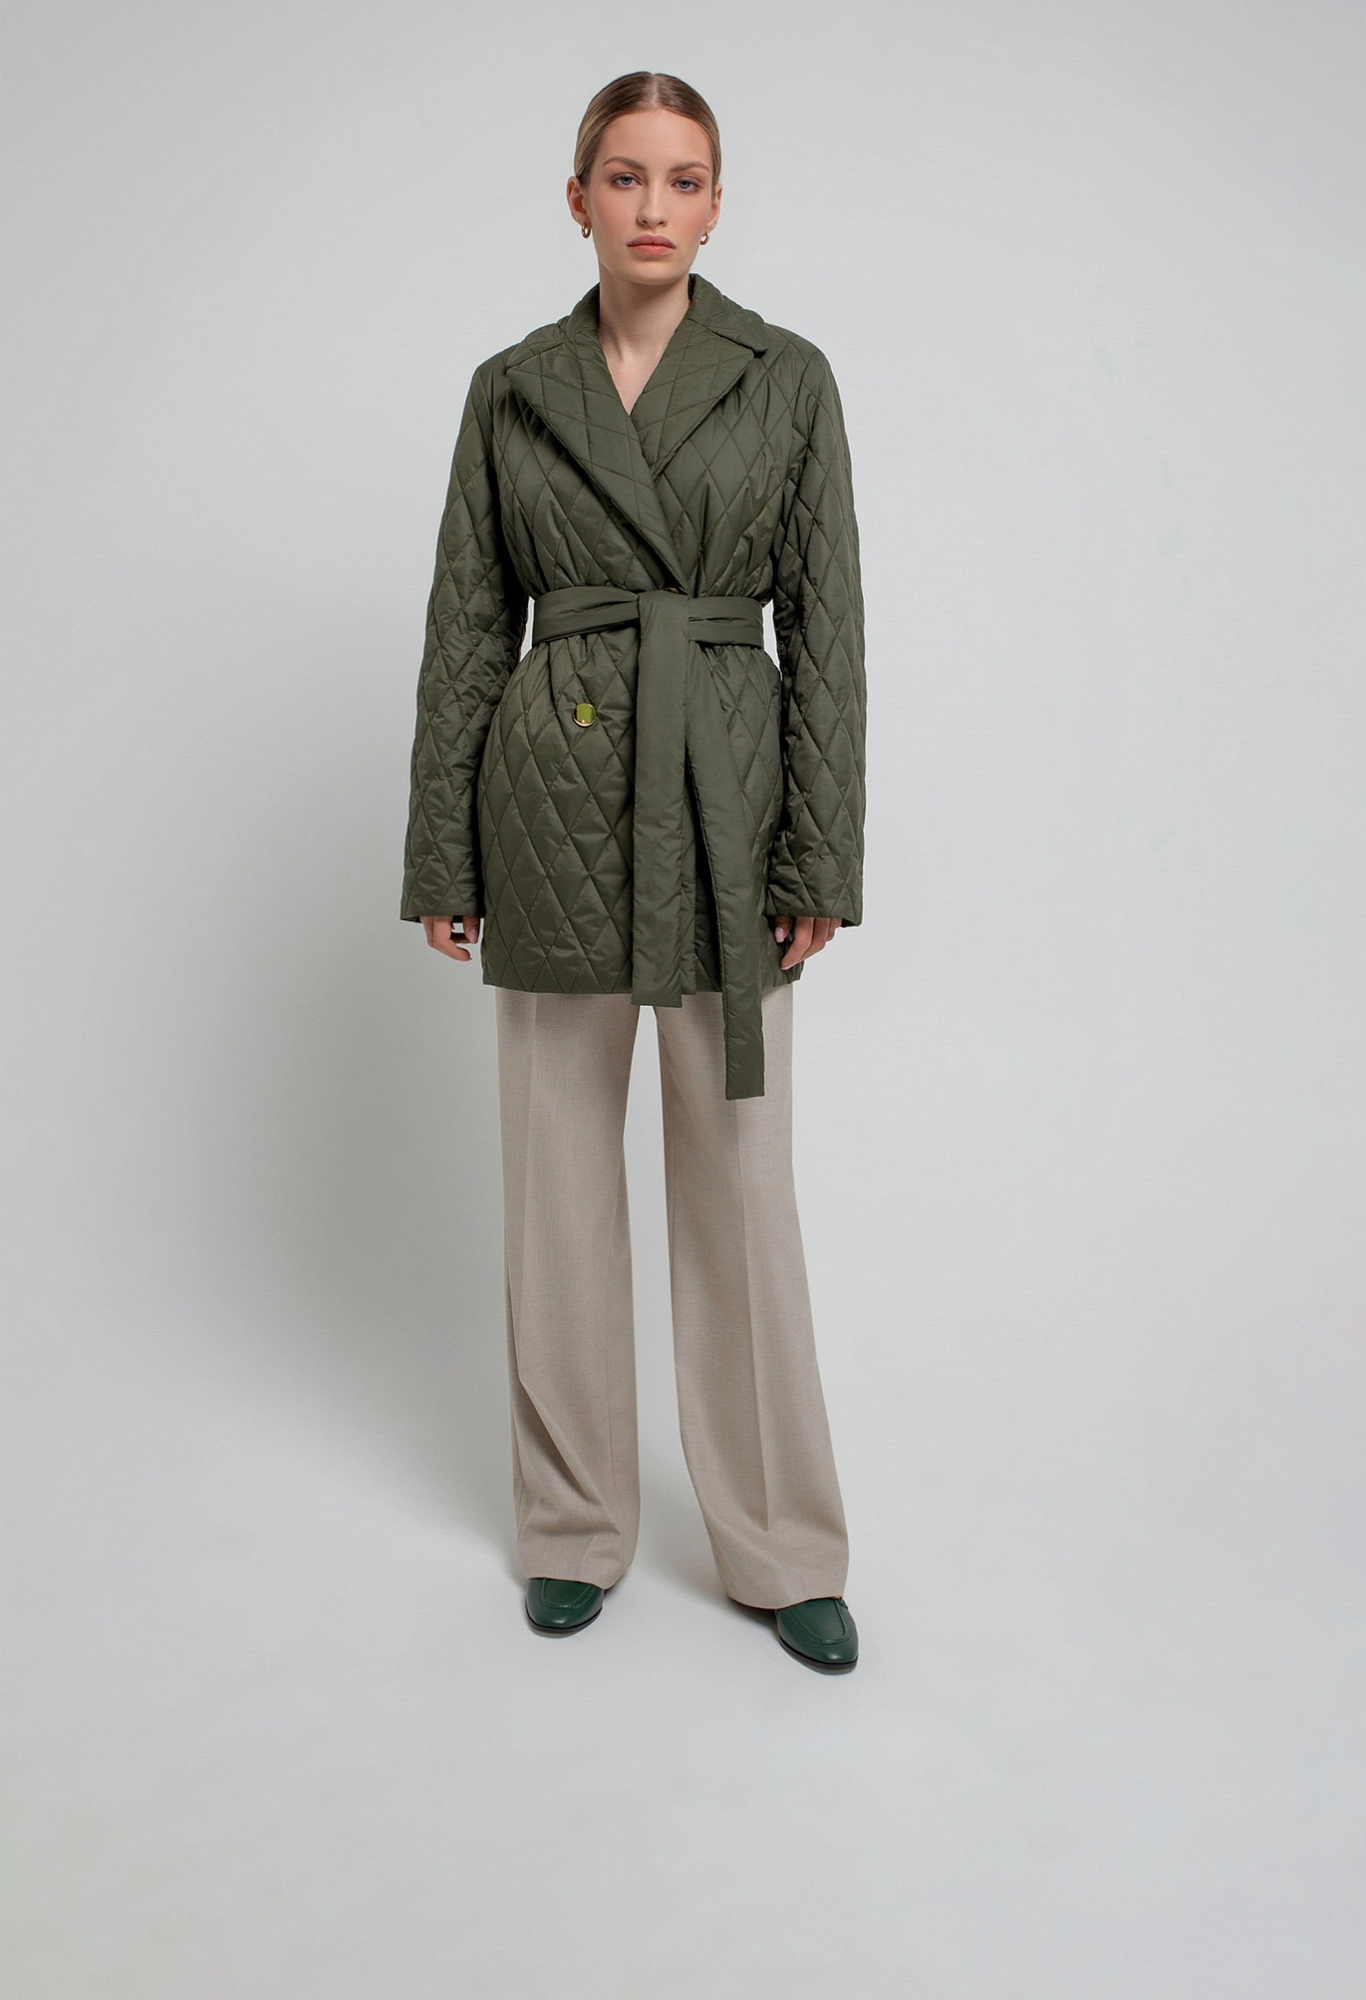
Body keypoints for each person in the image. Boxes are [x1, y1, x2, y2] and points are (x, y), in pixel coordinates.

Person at [401, 71, 867, 1670]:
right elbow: (469, 626)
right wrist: (444, 847)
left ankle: (780, 1544)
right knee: (557, 1188)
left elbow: (829, 628)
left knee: (741, 1187)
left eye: (681, 178)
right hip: (551, 802)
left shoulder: (786, 377)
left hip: (726, 797)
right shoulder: (511, 389)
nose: (651, 205)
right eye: (622, 175)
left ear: (716, 205)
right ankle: (571, 1526)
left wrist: (818, 849)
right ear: (577, 199)